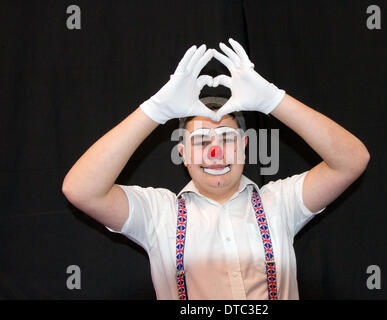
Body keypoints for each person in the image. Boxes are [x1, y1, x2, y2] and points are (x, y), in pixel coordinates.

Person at [62, 39, 370, 300]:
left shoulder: (280, 202)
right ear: (182, 154)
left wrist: (274, 101)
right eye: (200, 141)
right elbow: (81, 190)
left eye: (227, 138)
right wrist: (155, 110)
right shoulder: (158, 213)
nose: (215, 152)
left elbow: (352, 161)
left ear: (245, 147)